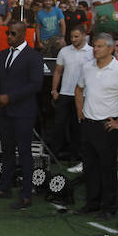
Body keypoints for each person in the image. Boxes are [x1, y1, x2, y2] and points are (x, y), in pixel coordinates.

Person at [74, 34, 118, 219]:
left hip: (107, 126)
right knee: (90, 167)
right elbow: (79, 89)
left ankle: (109, 207)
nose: (95, 49)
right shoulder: (87, 67)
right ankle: (92, 203)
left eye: (99, 46)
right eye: (94, 46)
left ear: (110, 48)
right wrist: (80, 111)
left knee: (107, 168)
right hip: (88, 123)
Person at [0, 20, 43, 210]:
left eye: (12, 34)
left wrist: (9, 97)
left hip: (23, 112)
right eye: (8, 34)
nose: (9, 37)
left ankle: (26, 194)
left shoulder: (34, 57)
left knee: (25, 152)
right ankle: (5, 188)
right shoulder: (3, 54)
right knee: (7, 150)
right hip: (4, 112)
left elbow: (36, 85)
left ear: (22, 35)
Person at [49, 26, 93, 169]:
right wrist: (54, 90)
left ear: (84, 36)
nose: (73, 40)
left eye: (76, 37)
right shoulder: (64, 51)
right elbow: (57, 71)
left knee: (79, 127)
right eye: (72, 37)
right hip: (65, 94)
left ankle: (78, 155)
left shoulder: (92, 52)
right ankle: (54, 154)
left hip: (83, 96)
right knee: (58, 125)